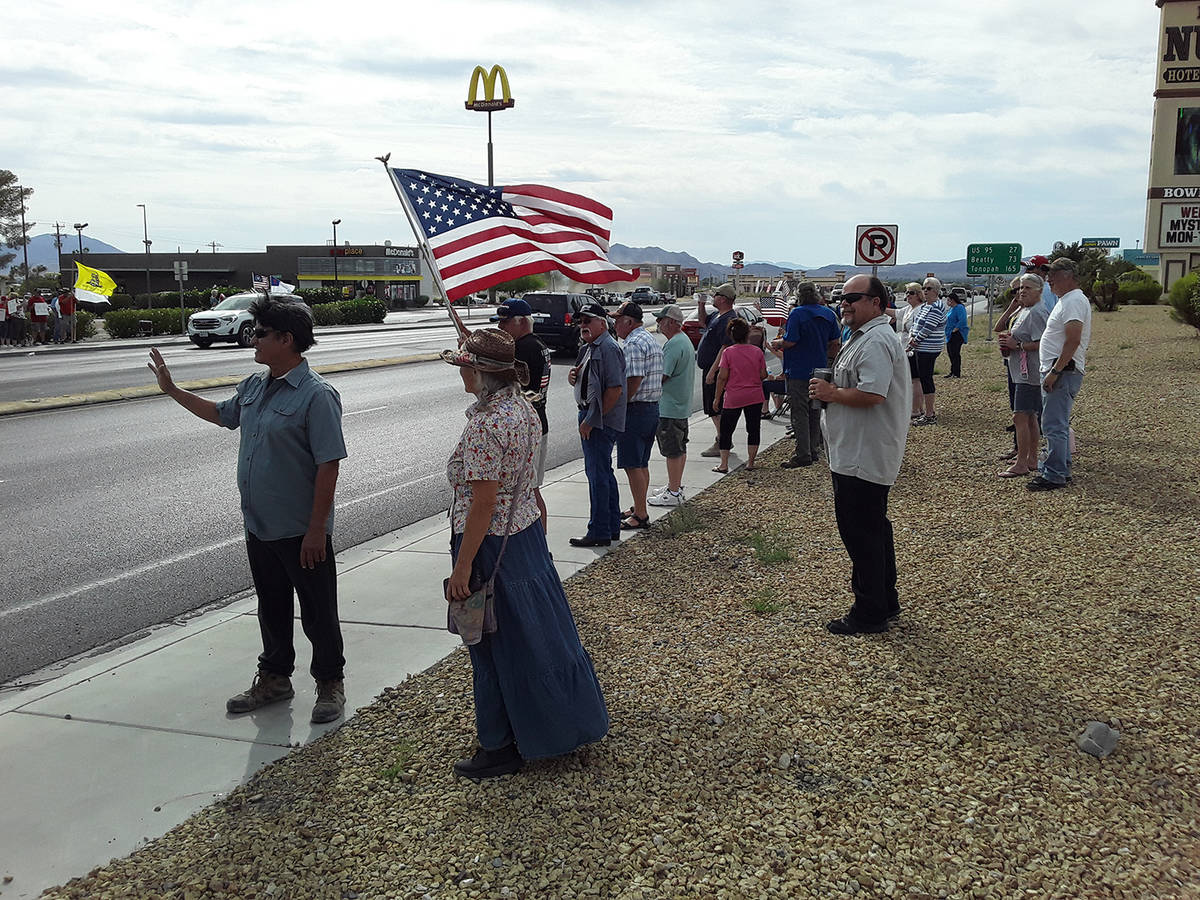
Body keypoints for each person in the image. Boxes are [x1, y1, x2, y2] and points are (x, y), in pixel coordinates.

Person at [146, 295, 349, 723]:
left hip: (301, 529)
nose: (253, 340)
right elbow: (221, 414)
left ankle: (330, 682)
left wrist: (317, 529)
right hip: (260, 525)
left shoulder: (317, 396)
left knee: (318, 611)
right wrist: (172, 391)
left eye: (260, 333)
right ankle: (275, 677)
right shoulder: (255, 385)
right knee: (271, 606)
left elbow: (328, 464)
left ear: (286, 340)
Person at [442, 328, 608, 781]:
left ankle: (498, 744)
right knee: (539, 637)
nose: (461, 374)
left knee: (490, 644)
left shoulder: (485, 426)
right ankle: (559, 723)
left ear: (480, 373)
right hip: (525, 534)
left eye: (465, 367)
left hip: (488, 543)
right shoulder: (524, 410)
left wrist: (462, 567)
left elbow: (482, 503)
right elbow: (530, 486)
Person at [809, 274, 911, 635]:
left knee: (861, 533)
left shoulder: (876, 340)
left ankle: (869, 613)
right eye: (842, 297)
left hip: (863, 453)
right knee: (874, 528)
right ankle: (885, 599)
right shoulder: (863, 336)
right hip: (855, 449)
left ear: (876, 302)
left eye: (853, 298)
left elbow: (873, 394)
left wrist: (831, 393)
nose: (845, 303)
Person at [567, 302, 627, 547]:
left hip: (599, 421)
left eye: (588, 320)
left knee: (597, 475)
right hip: (591, 416)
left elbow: (614, 389)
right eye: (581, 321)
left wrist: (592, 420)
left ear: (602, 323)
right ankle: (611, 527)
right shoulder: (589, 348)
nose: (583, 325)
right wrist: (574, 377)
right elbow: (588, 379)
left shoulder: (608, 348)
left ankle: (599, 531)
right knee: (603, 473)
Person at [1029, 258, 1092, 491]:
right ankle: (1061, 469)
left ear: (1067, 276)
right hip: (1061, 370)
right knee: (1058, 423)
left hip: (1063, 372)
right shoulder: (1068, 300)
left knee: (1053, 424)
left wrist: (1055, 371)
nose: (1049, 280)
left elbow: (1073, 339)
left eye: (1053, 275)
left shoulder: (1073, 301)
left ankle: (1054, 474)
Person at [491, 298, 552, 532]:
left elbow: (500, 375)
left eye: (505, 323)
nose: (501, 327)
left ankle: (540, 542)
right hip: (535, 422)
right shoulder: (536, 344)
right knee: (530, 489)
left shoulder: (525, 348)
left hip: (528, 427)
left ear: (522, 322)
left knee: (530, 491)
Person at [772, 282, 841, 468]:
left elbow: (791, 341)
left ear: (799, 296)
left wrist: (779, 343)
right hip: (820, 368)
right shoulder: (828, 313)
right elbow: (835, 341)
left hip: (798, 369)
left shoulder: (797, 313)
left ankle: (803, 453)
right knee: (815, 410)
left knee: (799, 412)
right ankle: (813, 449)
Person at [612, 299, 663, 530]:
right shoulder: (649, 339)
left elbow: (634, 378)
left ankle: (641, 514)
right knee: (641, 463)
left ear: (629, 322)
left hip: (636, 409)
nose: (615, 325)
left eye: (618, 321)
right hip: (651, 408)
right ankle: (638, 505)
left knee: (633, 464)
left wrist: (620, 404)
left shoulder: (633, 343)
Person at [994, 274, 1049, 477]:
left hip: (1029, 372)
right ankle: (1031, 459)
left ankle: (1021, 463)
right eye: (1020, 288)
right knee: (1030, 416)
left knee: (1020, 416)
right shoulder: (1024, 310)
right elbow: (1000, 327)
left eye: (1027, 288)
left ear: (1039, 291)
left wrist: (1017, 345)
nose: (1022, 291)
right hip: (1020, 370)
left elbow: (1044, 342)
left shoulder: (1037, 312)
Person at [650, 304, 695, 507]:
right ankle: (674, 485)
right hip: (679, 404)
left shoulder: (674, 344)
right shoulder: (683, 340)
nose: (658, 323)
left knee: (672, 451)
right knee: (679, 448)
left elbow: (662, 375)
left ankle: (674, 492)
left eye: (660, 320)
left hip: (669, 406)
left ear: (670, 322)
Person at [713, 316, 767, 473]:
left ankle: (723, 464)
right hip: (754, 395)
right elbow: (763, 374)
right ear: (747, 334)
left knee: (726, 430)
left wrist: (717, 398)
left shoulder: (728, 352)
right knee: (753, 428)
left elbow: (722, 377)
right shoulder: (757, 351)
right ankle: (751, 462)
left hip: (734, 396)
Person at [695, 284, 737, 457]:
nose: (713, 297)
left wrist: (713, 371)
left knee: (716, 407)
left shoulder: (728, 320)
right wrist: (701, 304)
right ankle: (722, 439)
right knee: (712, 408)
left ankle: (722, 441)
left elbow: (725, 347)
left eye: (716, 295)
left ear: (723, 299)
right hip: (709, 368)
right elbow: (702, 321)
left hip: (717, 371)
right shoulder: (716, 316)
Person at [906, 278, 947, 425]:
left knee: (926, 379)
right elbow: (916, 324)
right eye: (924, 288)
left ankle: (930, 414)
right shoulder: (925, 306)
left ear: (936, 290)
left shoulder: (936, 307)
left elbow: (928, 327)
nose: (925, 291)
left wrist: (915, 340)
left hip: (928, 348)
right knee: (921, 378)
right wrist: (912, 337)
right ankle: (925, 411)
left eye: (928, 288)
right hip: (920, 347)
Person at [943, 293, 968, 378]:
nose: (947, 302)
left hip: (957, 334)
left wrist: (955, 329)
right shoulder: (951, 309)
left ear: (952, 300)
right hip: (949, 334)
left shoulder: (960, 308)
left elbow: (963, 320)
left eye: (948, 300)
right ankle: (952, 371)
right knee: (950, 353)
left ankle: (956, 373)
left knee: (955, 353)